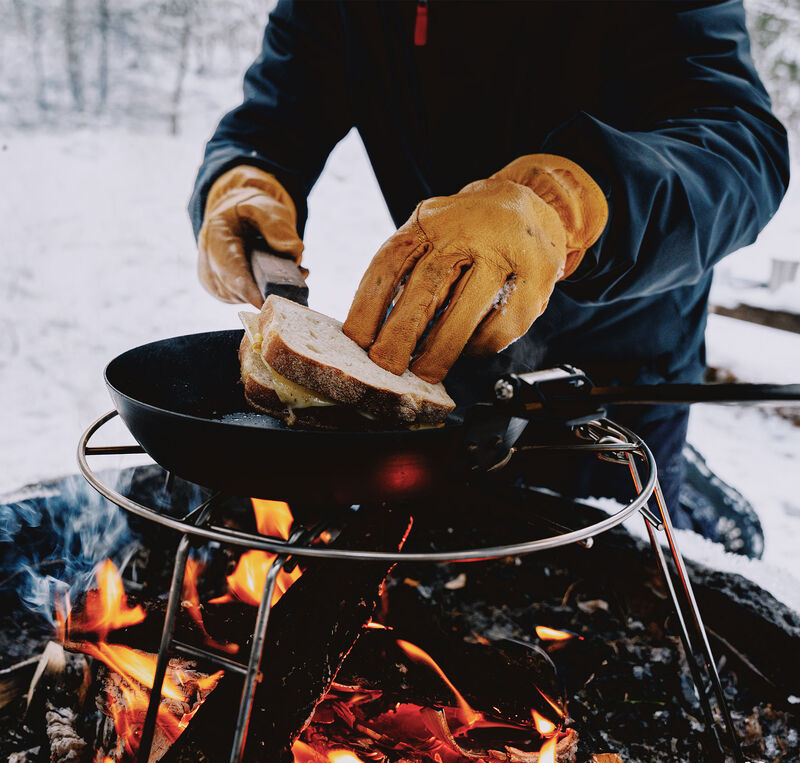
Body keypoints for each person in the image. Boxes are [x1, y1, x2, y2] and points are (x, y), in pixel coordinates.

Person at [189, 0, 789, 558]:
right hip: (440, 335)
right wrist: (244, 176)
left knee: (601, 572)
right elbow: (276, 113)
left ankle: (695, 504)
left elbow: (740, 142)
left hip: (616, 353)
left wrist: (575, 206)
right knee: (440, 572)